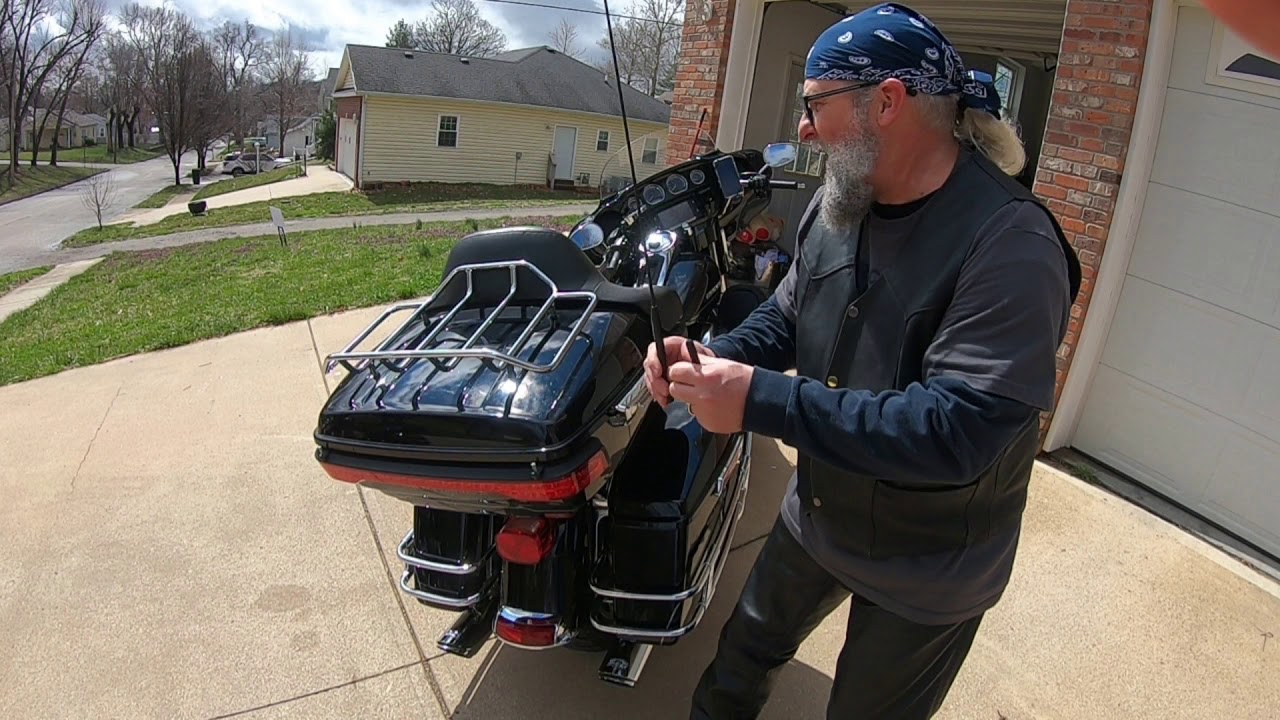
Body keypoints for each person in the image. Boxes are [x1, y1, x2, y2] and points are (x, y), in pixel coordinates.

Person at [642, 3, 1082, 718]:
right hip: (821, 513)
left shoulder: (1011, 245)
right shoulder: (839, 203)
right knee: (739, 662)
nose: (802, 128)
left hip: (929, 563)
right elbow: (789, 313)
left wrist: (759, 400)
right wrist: (714, 356)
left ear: (886, 102)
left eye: (815, 105)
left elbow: (957, 431)